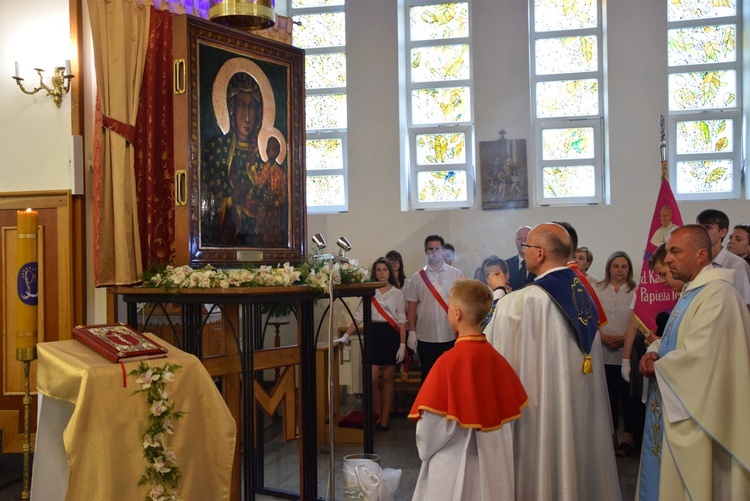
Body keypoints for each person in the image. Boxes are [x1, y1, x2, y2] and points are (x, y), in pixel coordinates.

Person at [484, 223, 621, 500]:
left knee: (548, 454)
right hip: (579, 404)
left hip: (543, 409)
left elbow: (488, 335)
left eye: (528, 247)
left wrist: (498, 291)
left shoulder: (530, 299)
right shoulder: (583, 292)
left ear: (541, 253)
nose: (524, 252)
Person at [637, 225, 750, 499]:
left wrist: (659, 366)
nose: (669, 259)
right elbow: (677, 339)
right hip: (674, 413)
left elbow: (703, 361)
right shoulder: (693, 292)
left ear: (701, 255)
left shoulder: (718, 295)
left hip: (700, 421)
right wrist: (655, 349)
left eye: (675, 251)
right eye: (668, 252)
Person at [409, 279, 528, 501]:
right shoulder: (497, 360)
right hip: (494, 463)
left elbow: (431, 429)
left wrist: (423, 447)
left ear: (456, 313)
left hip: (452, 462)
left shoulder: (447, 363)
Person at [340, 258, 406, 431]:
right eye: (378, 270)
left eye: (385, 269)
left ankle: (385, 418)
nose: (382, 272)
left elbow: (401, 320)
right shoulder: (368, 291)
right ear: (374, 272)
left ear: (389, 272)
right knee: (372, 379)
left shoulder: (397, 293)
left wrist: (402, 344)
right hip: (373, 334)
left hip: (391, 335)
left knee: (388, 378)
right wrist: (346, 335)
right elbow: (359, 316)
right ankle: (376, 414)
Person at [201, 72, 264, 246]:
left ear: (259, 112)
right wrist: (230, 201)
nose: (247, 117)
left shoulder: (263, 154)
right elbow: (205, 199)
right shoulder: (216, 148)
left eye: (252, 108)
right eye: (242, 106)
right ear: (231, 108)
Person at [594, 251, 641, 457]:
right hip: (602, 350)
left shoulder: (636, 290)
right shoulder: (597, 289)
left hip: (626, 352)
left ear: (629, 269)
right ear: (609, 268)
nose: (620, 270)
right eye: (616, 266)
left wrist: (623, 338)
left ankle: (628, 438)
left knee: (628, 397)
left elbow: (639, 319)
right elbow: (591, 315)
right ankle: (611, 437)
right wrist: (601, 336)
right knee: (607, 397)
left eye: (624, 266)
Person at [406, 235, 463, 380]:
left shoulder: (456, 274)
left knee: (450, 376)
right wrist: (411, 332)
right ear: (425, 251)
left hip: (449, 334)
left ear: (443, 250)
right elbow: (411, 307)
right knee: (428, 377)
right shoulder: (417, 278)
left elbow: (462, 304)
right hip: (426, 336)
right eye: (430, 249)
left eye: (437, 248)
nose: (434, 252)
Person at [696, 209, 750, 305]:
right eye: (699, 228)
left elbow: (743, 303)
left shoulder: (736, 264)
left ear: (723, 232)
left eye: (708, 227)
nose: (702, 232)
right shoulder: (696, 260)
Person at [247, 136, 288, 246]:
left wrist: (274, 203)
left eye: (272, 148)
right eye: (268, 147)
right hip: (263, 207)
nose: (269, 150)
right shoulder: (266, 167)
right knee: (260, 235)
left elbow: (284, 195)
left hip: (274, 210)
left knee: (272, 236)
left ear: (276, 151)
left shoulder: (281, 172)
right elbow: (259, 183)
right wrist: (252, 167)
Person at [505, 226, 535, 290]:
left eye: (526, 239)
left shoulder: (541, 265)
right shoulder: (506, 265)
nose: (523, 242)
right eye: (519, 239)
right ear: (515, 241)